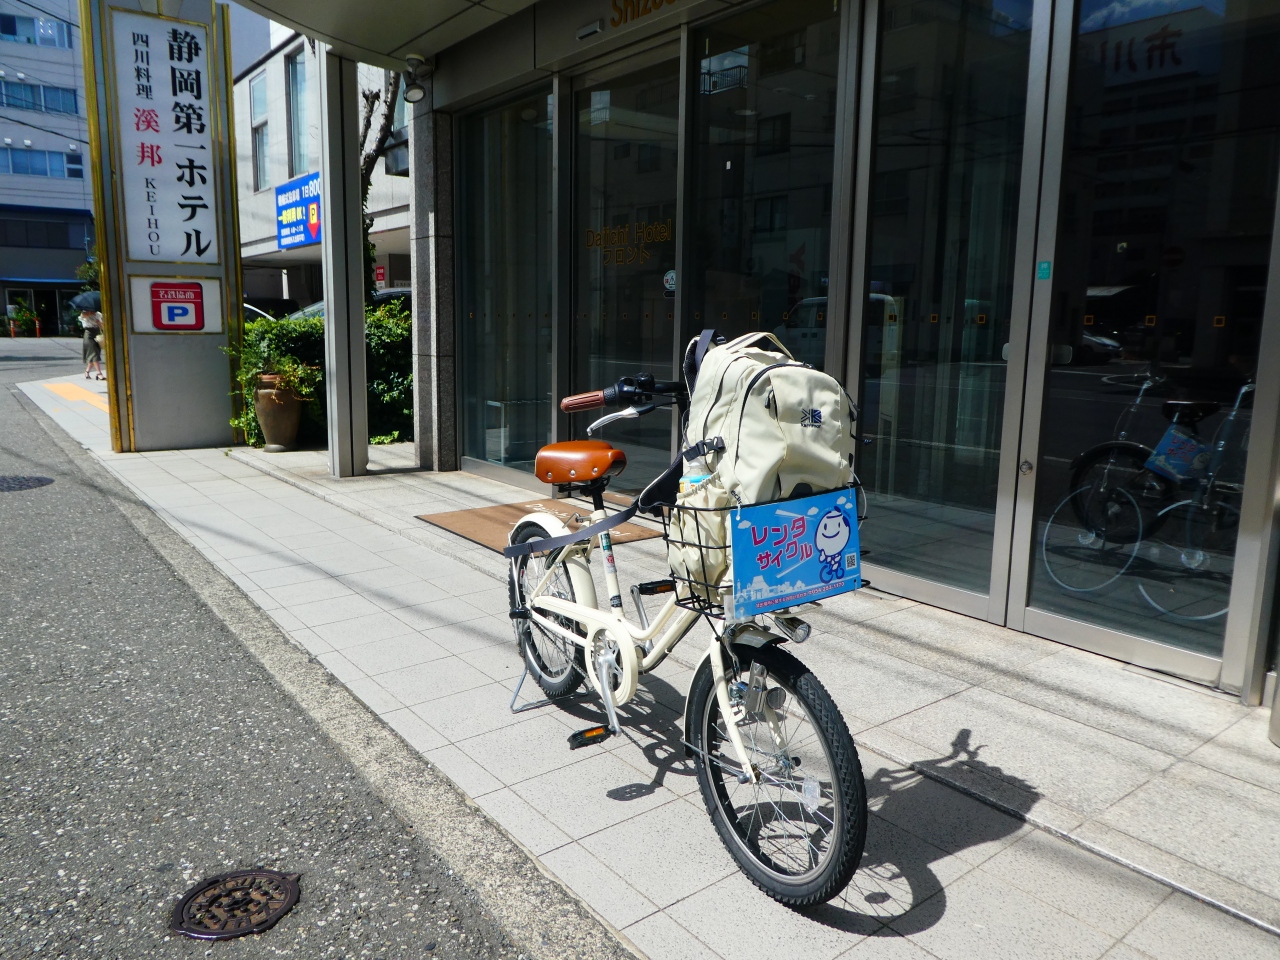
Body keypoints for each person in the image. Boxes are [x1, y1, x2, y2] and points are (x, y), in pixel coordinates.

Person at [81, 309, 104, 380]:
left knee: (95, 354)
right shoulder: (84, 313)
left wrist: (99, 323)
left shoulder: (98, 314)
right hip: (89, 334)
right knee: (94, 354)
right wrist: (89, 313)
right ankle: (99, 373)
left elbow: (103, 327)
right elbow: (83, 317)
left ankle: (87, 371)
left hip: (97, 334)